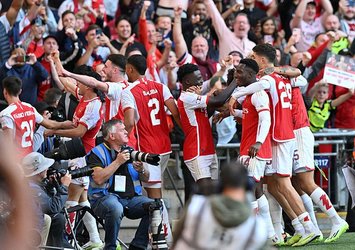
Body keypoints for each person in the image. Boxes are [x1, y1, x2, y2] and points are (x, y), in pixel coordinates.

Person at [229, 44, 319, 246]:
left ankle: (310, 227)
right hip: (283, 134)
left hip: (280, 134)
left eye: (253, 56)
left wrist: (235, 95)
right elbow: (301, 78)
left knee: (284, 184)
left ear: (261, 60)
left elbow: (257, 87)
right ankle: (298, 226)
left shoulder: (267, 80)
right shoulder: (285, 77)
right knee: (276, 186)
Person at [121, 55, 181, 244]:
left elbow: (130, 121)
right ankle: (159, 237)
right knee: (154, 193)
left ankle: (162, 240)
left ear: (130, 69)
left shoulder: (128, 91)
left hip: (148, 150)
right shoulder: (160, 86)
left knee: (154, 197)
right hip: (165, 146)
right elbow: (176, 111)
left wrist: (121, 140)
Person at [86, 119, 153, 250]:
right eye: (122, 130)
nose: (126, 132)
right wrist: (118, 161)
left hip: (131, 199)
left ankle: (138, 246)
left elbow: (146, 178)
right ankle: (110, 247)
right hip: (104, 198)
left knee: (155, 206)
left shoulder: (130, 151)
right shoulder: (97, 152)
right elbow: (98, 179)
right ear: (112, 136)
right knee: (115, 208)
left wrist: (142, 170)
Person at [231, 59, 277, 243]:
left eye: (240, 72)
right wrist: (232, 113)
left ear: (252, 75)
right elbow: (251, 117)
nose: (236, 75)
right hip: (251, 148)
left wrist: (258, 142)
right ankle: (270, 234)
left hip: (254, 149)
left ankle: (253, 233)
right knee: (257, 191)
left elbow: (266, 119)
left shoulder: (258, 94)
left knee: (249, 190)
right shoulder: (251, 96)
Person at [172, 162, 268, 250]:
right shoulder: (257, 228)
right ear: (248, 187)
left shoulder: (197, 207)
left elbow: (176, 238)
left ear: (220, 185)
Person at [176, 63, 237, 194]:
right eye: (198, 78)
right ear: (187, 81)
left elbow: (208, 113)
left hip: (208, 149)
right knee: (206, 192)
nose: (201, 81)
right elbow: (219, 101)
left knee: (214, 193)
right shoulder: (187, 97)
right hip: (196, 151)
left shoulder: (195, 97)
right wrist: (236, 81)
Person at [0, 76, 72, 158]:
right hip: (30, 156)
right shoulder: (30, 108)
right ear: (20, 91)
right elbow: (50, 125)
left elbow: (8, 145)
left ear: (5, 91)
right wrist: (64, 124)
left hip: (16, 159)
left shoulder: (6, 114)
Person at [22, 152, 72, 248]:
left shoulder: (32, 183)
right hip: (33, 229)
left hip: (33, 225)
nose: (47, 169)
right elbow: (52, 208)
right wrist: (65, 187)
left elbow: (45, 203)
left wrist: (50, 186)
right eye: (45, 167)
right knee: (58, 218)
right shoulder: (31, 187)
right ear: (39, 171)